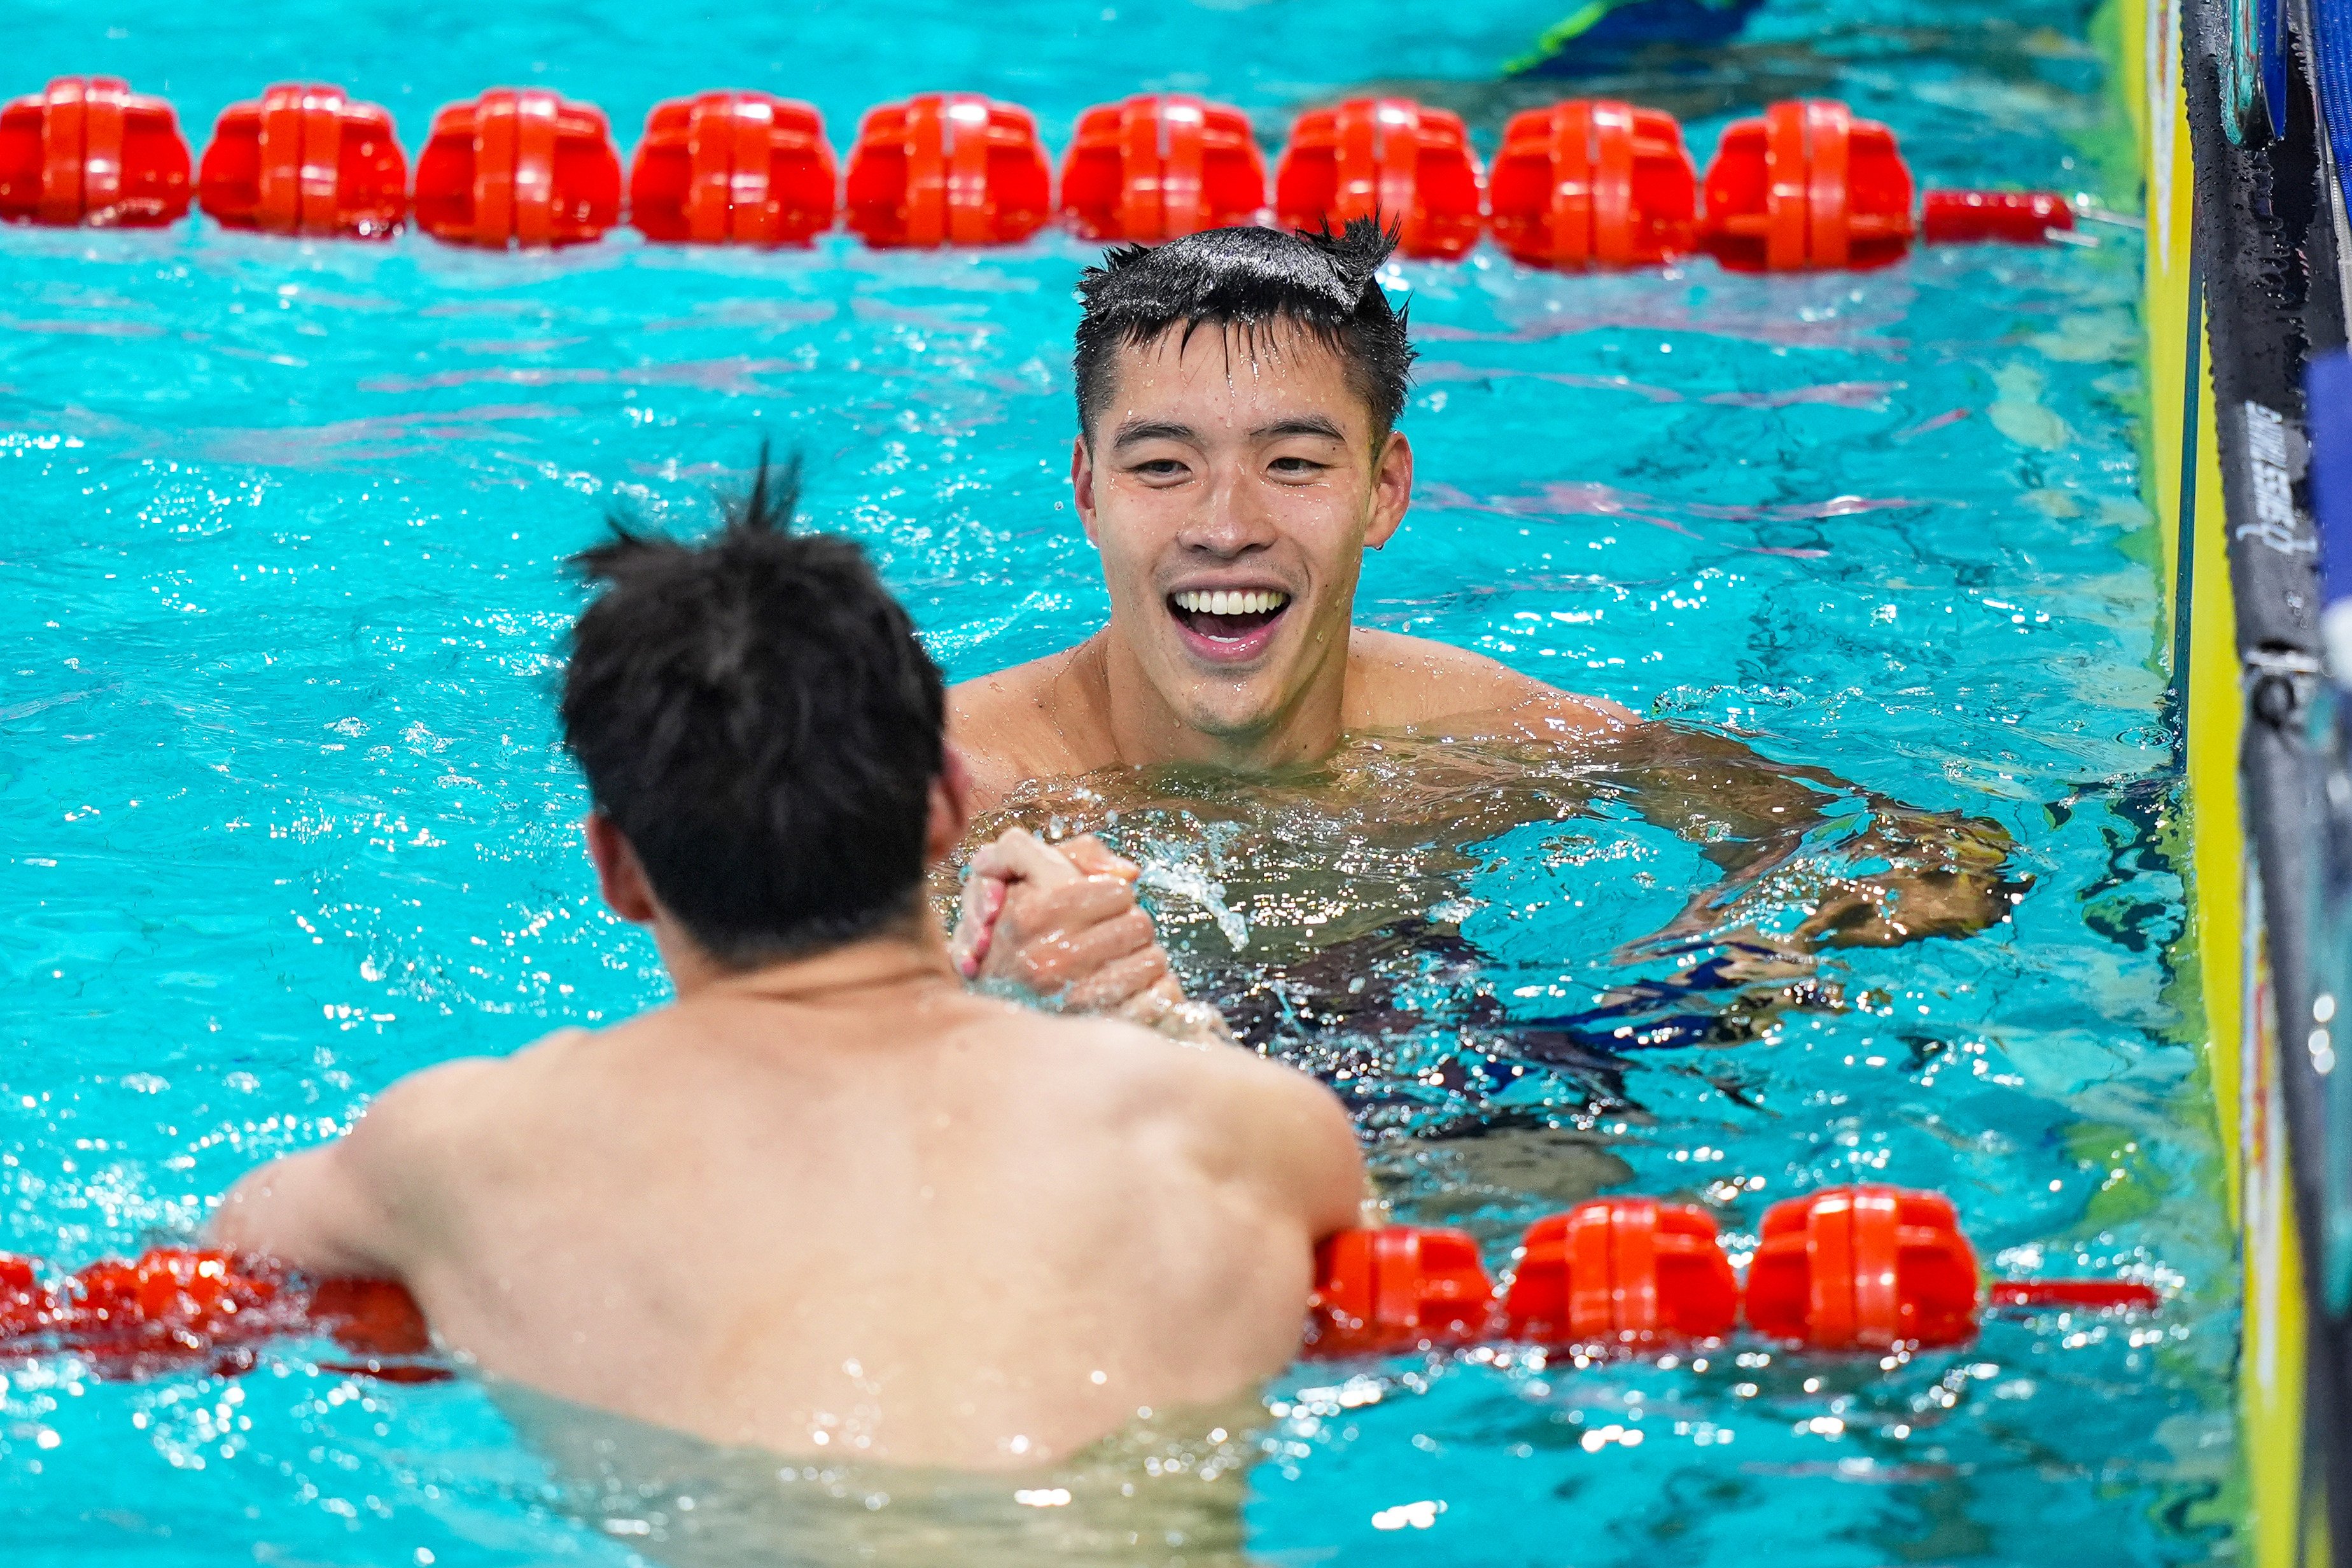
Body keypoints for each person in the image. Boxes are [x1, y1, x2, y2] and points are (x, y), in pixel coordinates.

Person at [207, 463, 1364, 1470]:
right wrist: (1141, 1019)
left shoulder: (456, 1153)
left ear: (615, 869)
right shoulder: (1238, 1127)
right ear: (949, 805)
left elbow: (223, 1258)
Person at [947, 220, 2022, 1052]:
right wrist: (977, 998)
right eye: (1163, 466)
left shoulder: (1484, 735)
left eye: (1296, 464)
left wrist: (1680, 990)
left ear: (1384, 490)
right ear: (1089, 493)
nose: (1226, 528)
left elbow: (1942, 857)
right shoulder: (954, 785)